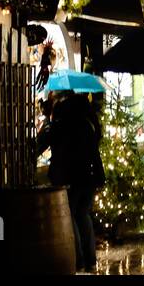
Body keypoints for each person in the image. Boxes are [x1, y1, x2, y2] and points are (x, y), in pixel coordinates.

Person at [35, 92, 104, 272]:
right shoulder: (87, 126)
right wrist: (100, 176)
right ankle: (90, 259)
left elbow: (39, 145)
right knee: (83, 214)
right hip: (87, 178)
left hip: (67, 178)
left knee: (71, 215)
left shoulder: (60, 125)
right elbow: (95, 155)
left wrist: (47, 125)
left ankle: (77, 259)